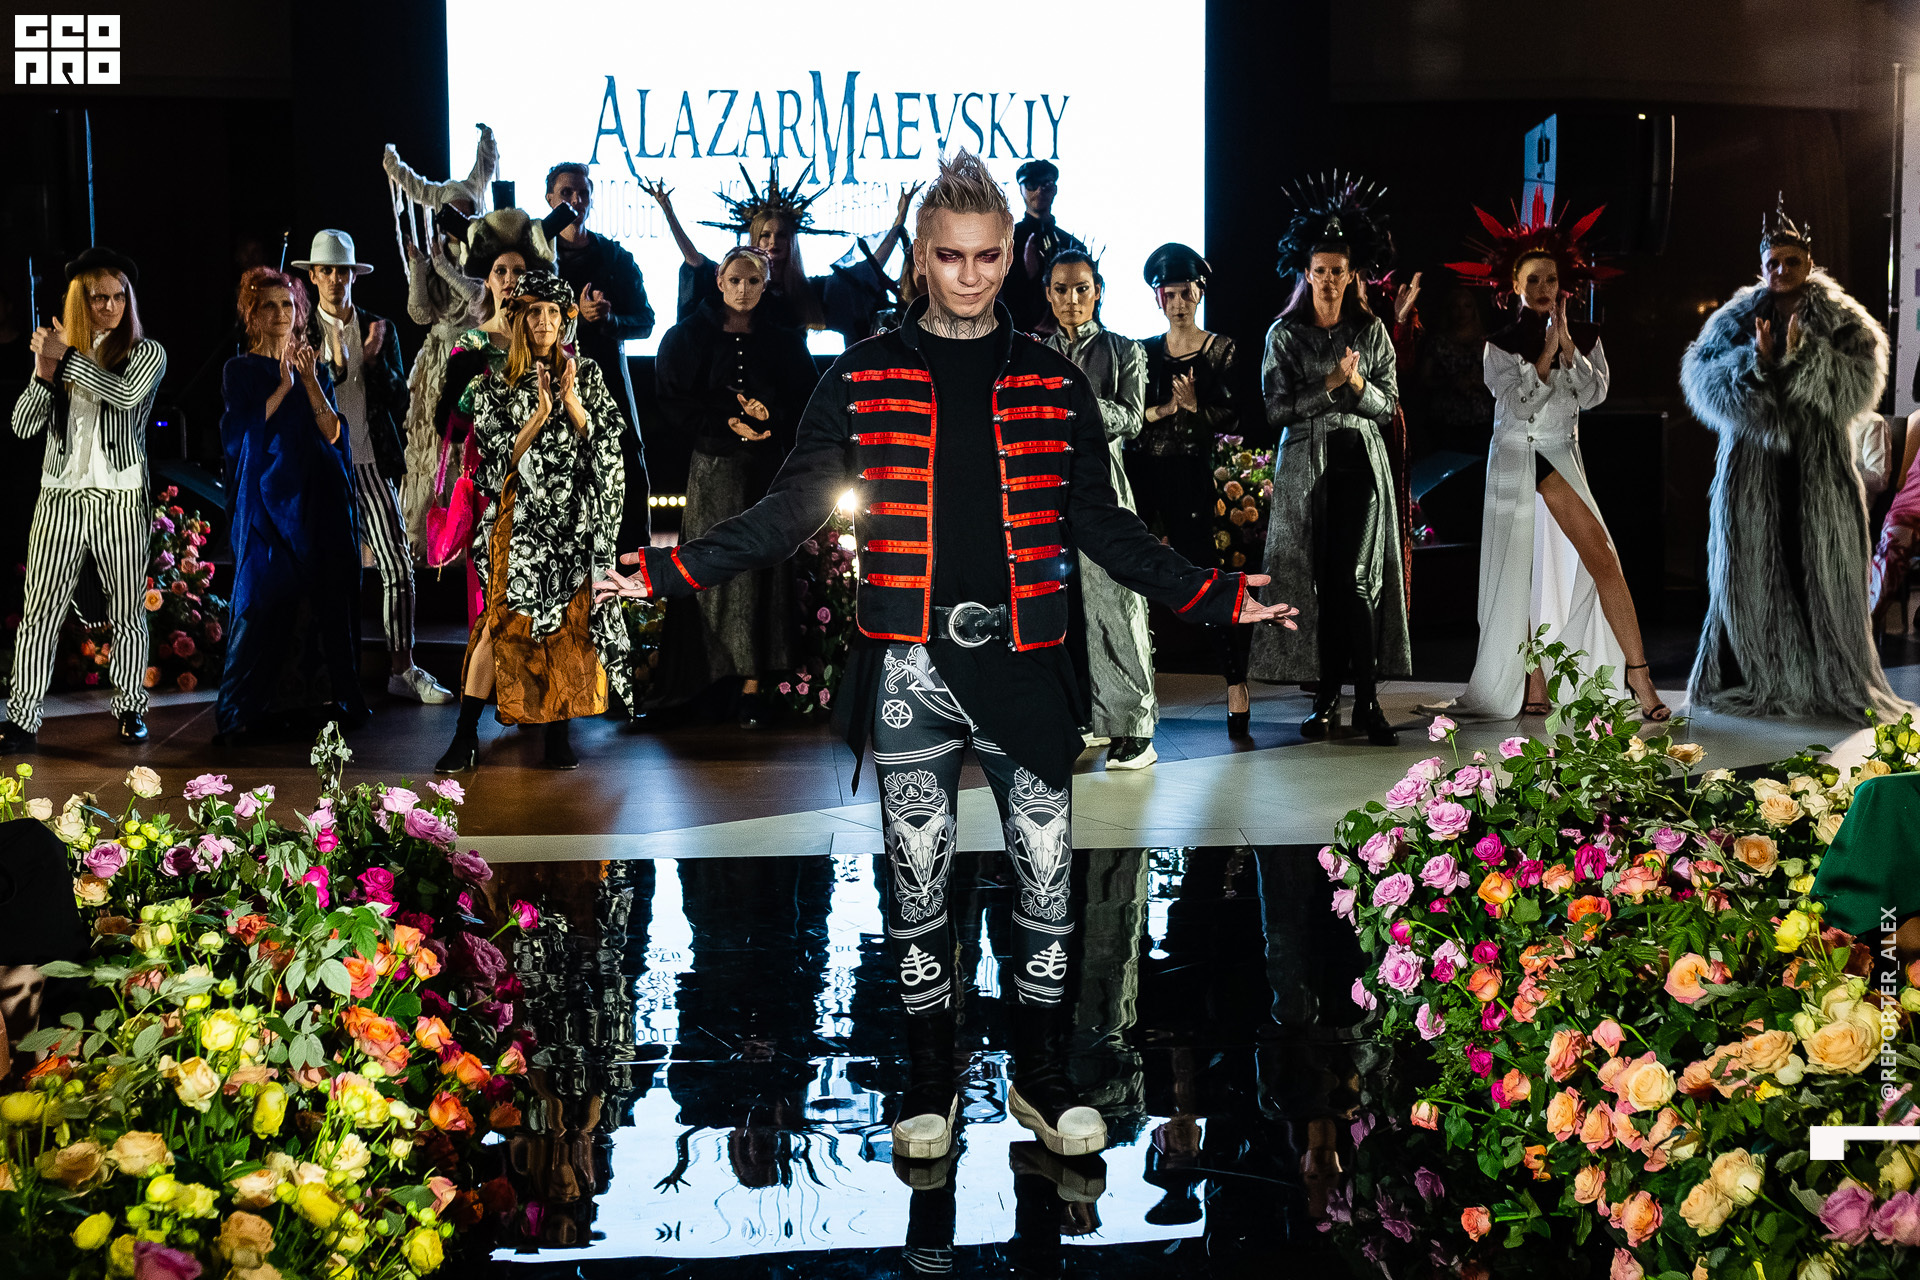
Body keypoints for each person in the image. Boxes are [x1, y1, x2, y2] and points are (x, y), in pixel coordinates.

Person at [596, 151, 1296, 1167]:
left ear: (1011, 256)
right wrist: (669, 570)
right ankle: (929, 1078)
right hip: (910, 666)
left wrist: (1216, 593)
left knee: (1047, 883)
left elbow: (1106, 526)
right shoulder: (861, 375)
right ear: (922, 256)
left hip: (1026, 664)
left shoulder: (1053, 381)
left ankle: (1041, 1075)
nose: (970, 275)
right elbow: (788, 510)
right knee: (916, 883)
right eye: (951, 256)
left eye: (988, 256)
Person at [1430, 207, 1667, 722]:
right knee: (1519, 571)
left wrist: (1568, 351)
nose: (1543, 288)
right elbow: (1516, 406)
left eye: (1551, 279)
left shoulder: (1586, 335)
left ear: (1564, 285)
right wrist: (1543, 356)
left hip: (1560, 454)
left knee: (1602, 558)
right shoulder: (1499, 344)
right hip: (1516, 457)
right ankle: (1531, 679)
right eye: (1533, 279)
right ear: (1514, 286)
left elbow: (1594, 395)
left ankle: (1639, 676)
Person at [1681, 196, 1908, 720]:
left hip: (1819, 469)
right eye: (1773, 263)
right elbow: (1703, 379)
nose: (1781, 271)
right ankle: (1755, 677)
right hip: (1752, 468)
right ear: (1761, 267)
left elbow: (1862, 383)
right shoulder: (1736, 318)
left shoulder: (1841, 317)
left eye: (1791, 262)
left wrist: (1806, 356)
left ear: (1808, 263)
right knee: (1750, 570)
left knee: (1819, 570)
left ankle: (1826, 682)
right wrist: (1756, 363)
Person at [435, 271, 631, 773]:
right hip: (518, 520)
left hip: (573, 521)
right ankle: (464, 735)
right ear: (519, 319)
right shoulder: (493, 381)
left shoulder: (586, 374)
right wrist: (539, 416)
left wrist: (572, 406)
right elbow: (496, 461)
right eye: (534, 312)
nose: (544, 322)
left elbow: (609, 443)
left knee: (569, 624)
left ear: (565, 320)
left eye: (553, 313)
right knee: (498, 623)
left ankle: (558, 736)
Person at [1249, 185, 1408, 745]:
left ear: (1352, 274)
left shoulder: (1371, 331)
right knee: (1313, 584)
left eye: (1339, 271)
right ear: (1307, 273)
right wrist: (1331, 383)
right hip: (1305, 467)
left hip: (1358, 462)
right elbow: (1276, 410)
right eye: (1320, 271)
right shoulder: (1284, 334)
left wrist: (1357, 385)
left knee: (1352, 580)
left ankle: (1367, 701)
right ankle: (1325, 701)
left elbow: (1388, 407)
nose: (1330, 280)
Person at [2, 248, 165, 752]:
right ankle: (23, 718)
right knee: (40, 611)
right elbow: (22, 426)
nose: (111, 307)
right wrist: (43, 371)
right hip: (60, 497)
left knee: (127, 611)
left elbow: (125, 396)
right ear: (80, 300)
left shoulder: (146, 352)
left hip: (120, 497)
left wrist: (65, 359)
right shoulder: (59, 354)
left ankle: (131, 708)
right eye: (99, 298)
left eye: (119, 297)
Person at [654, 246, 819, 726]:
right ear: (719, 282)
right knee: (708, 565)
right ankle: (707, 678)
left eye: (753, 281)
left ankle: (751, 685)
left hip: (768, 473)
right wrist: (725, 422)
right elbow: (671, 399)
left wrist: (772, 417)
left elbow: (808, 399)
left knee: (762, 571)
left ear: (766, 285)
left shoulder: (784, 340)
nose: (743, 290)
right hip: (714, 470)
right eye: (735, 280)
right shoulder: (687, 336)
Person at [295, 229, 453, 707]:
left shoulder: (377, 327)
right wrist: (343, 365)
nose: (334, 279)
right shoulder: (300, 330)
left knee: (398, 565)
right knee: (329, 572)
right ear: (313, 276)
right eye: (326, 271)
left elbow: (401, 398)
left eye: (342, 271)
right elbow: (304, 399)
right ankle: (329, 675)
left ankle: (402, 668)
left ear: (353, 275)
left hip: (369, 462)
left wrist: (371, 361)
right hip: (322, 467)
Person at [216, 267, 366, 741]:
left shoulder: (311, 366)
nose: (281, 313)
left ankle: (326, 701)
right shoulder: (239, 370)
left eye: (287, 304)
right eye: (269, 305)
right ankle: (243, 711)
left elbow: (334, 433)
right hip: (266, 502)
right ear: (252, 315)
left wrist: (308, 381)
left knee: (328, 591)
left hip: (317, 499)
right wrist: (282, 386)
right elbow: (239, 436)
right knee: (261, 596)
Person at [1042, 249, 1157, 770]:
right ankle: (1079, 715)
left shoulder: (1123, 349)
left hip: (1103, 491)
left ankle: (1134, 727)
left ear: (1098, 291)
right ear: (1048, 295)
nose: (1072, 299)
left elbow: (1131, 417)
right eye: (1062, 289)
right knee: (1058, 606)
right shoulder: (1033, 353)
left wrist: (1073, 405)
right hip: (1044, 494)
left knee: (1116, 603)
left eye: (1082, 288)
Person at [1133, 243, 1250, 733]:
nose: (1178, 303)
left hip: (1189, 474)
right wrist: (1167, 409)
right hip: (1143, 475)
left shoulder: (1220, 350)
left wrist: (1197, 409)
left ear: (1199, 293)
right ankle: (1130, 692)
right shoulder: (1143, 351)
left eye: (1186, 293)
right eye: (1169, 294)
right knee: (1129, 578)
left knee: (1205, 576)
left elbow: (1237, 416)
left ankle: (1235, 683)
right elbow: (1130, 414)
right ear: (1157, 298)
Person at [645, 165, 917, 348]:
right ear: (755, 239)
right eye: (765, 235)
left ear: (792, 242)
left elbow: (868, 270)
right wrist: (669, 213)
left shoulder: (810, 291)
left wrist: (899, 221)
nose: (773, 242)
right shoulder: (736, 283)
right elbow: (696, 262)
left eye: (781, 235)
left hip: (791, 381)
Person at [384, 124, 495, 541]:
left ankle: (473, 534)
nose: (460, 220)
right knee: (434, 444)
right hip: (439, 360)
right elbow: (419, 313)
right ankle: (430, 535)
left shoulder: (486, 259)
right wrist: (419, 267)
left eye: (467, 212)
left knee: (473, 443)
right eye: (453, 213)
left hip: (476, 357)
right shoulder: (434, 256)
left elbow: (479, 302)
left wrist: (447, 270)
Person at [545, 161, 657, 548]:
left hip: (608, 385)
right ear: (549, 199)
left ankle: (632, 573)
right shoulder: (537, 260)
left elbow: (645, 321)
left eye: (583, 193)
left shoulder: (615, 258)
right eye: (566, 193)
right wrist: (571, 314)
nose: (576, 200)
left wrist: (609, 320)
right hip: (551, 387)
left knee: (629, 474)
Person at [1004, 160, 1087, 335]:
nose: (1039, 190)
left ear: (1055, 189)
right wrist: (1028, 275)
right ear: (1021, 189)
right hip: (1016, 338)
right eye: (1032, 184)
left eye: (1046, 184)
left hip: (1065, 340)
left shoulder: (1074, 245)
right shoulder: (1005, 241)